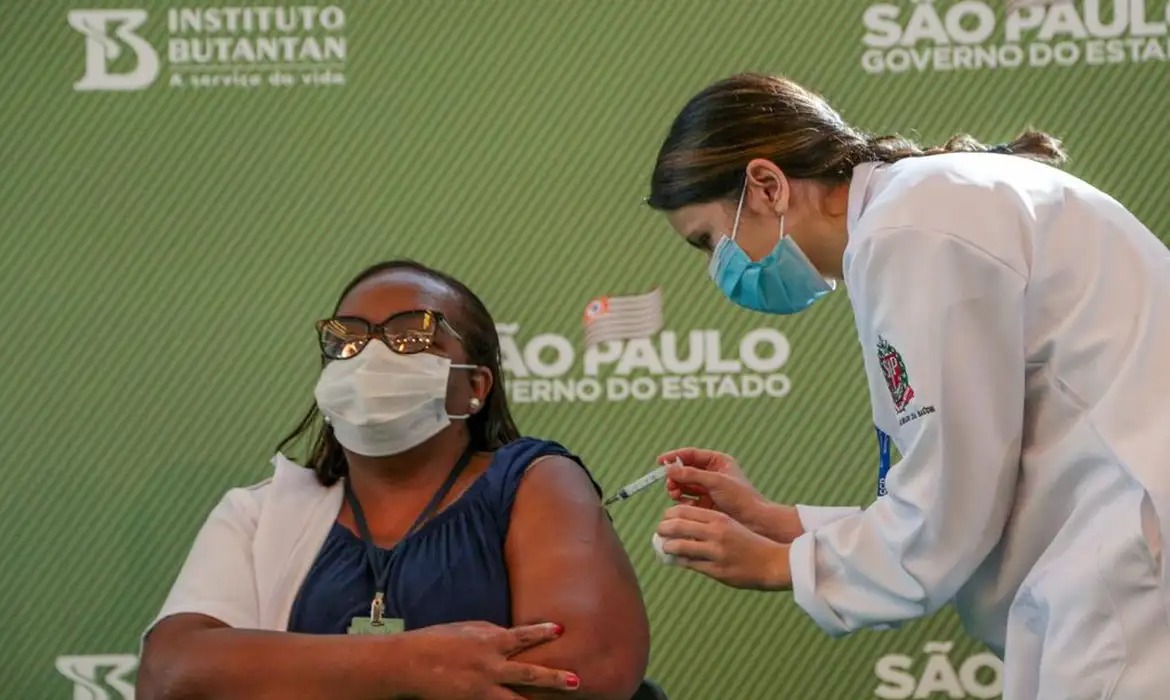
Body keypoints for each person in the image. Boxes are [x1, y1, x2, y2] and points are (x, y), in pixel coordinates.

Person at [644, 73, 1170, 699]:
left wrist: (778, 564)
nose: (718, 269)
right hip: (1115, 552)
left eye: (708, 241)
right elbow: (962, 489)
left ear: (767, 185)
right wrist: (777, 522)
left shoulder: (909, 231)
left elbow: (951, 505)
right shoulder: (920, 207)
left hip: (1132, 564)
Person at [137, 260, 651, 700]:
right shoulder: (258, 513)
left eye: (413, 336)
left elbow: (582, 666)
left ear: (475, 385)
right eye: (348, 339)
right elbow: (171, 676)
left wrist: (294, 676)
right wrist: (416, 663)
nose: (371, 356)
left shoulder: (533, 480)